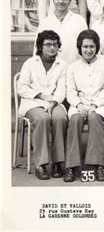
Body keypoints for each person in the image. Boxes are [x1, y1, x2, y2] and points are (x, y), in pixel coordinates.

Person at [63, 29, 104, 182]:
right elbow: (70, 92)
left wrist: (95, 105)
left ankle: (98, 165)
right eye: (85, 47)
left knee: (95, 118)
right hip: (79, 104)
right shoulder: (72, 67)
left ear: (97, 47)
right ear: (80, 47)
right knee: (75, 119)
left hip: (100, 104)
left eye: (92, 46)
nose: (88, 50)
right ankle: (71, 165)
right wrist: (79, 105)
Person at [17, 30, 68, 180]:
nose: (52, 48)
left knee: (60, 118)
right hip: (32, 102)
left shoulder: (62, 65)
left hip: (54, 101)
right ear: (40, 46)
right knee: (42, 119)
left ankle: (58, 162)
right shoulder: (30, 63)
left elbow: (62, 88)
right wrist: (40, 95)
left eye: (55, 44)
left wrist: (53, 102)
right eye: (48, 44)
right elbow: (22, 88)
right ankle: (41, 164)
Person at [36, 0, 88, 64]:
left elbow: (86, 46)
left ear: (70, 0)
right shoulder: (45, 23)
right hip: (52, 72)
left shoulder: (79, 21)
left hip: (74, 70)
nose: (61, 1)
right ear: (52, 0)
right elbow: (37, 50)